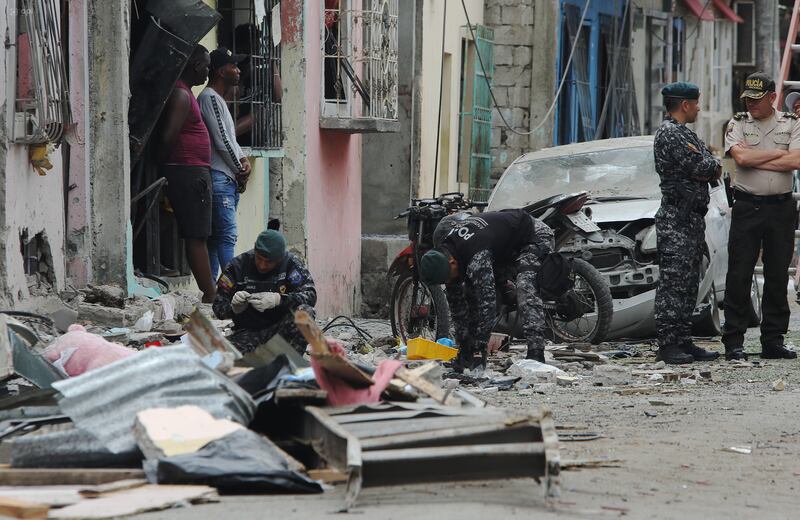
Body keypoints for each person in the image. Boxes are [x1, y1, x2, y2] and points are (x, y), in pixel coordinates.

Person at [722, 72, 800, 360]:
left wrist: (757, 156)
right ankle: (734, 341)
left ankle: (773, 340)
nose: (751, 104)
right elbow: (739, 159)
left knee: (778, 275)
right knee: (739, 274)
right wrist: (777, 157)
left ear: (772, 98)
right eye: (748, 99)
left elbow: (797, 160)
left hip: (780, 207)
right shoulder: (738, 123)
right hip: (746, 207)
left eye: (757, 99)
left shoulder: (791, 123)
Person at [418, 210, 555, 368]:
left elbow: (487, 304)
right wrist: (464, 350)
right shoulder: (447, 258)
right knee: (470, 291)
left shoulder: (475, 255)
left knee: (525, 283)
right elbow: (458, 308)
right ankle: (468, 352)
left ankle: (536, 352)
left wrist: (479, 346)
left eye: (449, 277)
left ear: (451, 262)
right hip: (503, 246)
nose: (450, 282)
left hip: (533, 234)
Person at [652, 82, 721, 364]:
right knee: (673, 284)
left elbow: (711, 165)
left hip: (690, 219)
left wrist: (711, 163)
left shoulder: (685, 134)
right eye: (696, 103)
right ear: (685, 105)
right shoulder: (671, 134)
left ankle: (683, 340)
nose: (699, 108)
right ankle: (668, 345)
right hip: (676, 220)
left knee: (689, 283)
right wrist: (710, 163)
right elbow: (705, 166)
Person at [156, 45, 216, 303]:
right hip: (188, 171)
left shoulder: (186, 93)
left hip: (191, 170)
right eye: (205, 65)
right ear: (194, 65)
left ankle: (210, 291)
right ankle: (211, 294)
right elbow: (168, 136)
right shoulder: (181, 94)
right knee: (196, 234)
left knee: (197, 233)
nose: (207, 71)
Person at [212, 230, 316, 354]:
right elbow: (218, 306)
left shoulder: (290, 264)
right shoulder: (237, 267)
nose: (262, 265)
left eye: (269, 262)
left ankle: (289, 363)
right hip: (247, 332)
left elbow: (310, 295)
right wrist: (234, 308)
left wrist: (279, 299)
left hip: (281, 330)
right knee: (221, 358)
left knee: (305, 313)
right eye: (259, 258)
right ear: (255, 251)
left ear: (280, 258)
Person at [198, 47, 252, 279]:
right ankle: (234, 287)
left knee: (215, 238)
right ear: (221, 71)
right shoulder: (209, 98)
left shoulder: (218, 99)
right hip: (220, 177)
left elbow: (230, 139)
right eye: (234, 66)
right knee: (226, 236)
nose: (238, 71)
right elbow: (222, 141)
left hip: (224, 177)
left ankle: (213, 289)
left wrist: (243, 161)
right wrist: (240, 167)